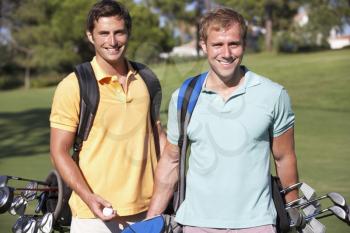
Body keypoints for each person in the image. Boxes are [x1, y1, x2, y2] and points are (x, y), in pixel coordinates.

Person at [147, 7, 299, 233]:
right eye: (217, 44)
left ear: (244, 45)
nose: (226, 53)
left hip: (257, 224)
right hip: (196, 224)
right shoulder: (184, 96)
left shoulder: (273, 94)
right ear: (203, 46)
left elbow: (284, 157)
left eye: (234, 44)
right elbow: (171, 162)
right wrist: (150, 221)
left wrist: (295, 212)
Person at [49, 1, 166, 233]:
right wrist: (89, 197)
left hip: (148, 212)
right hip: (94, 216)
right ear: (90, 36)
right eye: (103, 33)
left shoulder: (147, 80)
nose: (112, 42)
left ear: (128, 33)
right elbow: (59, 151)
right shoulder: (73, 86)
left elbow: (158, 138)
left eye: (118, 32)